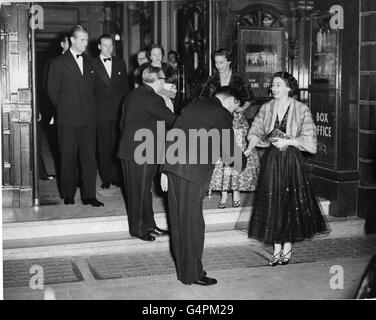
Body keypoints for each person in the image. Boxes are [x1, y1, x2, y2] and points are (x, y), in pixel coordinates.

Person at [161, 87, 247, 286]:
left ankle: (185, 272)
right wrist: (242, 162)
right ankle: (193, 274)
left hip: (173, 169)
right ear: (231, 100)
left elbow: (172, 135)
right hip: (192, 174)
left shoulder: (193, 105)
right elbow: (228, 149)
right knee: (193, 225)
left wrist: (164, 170)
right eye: (236, 107)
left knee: (179, 223)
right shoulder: (222, 113)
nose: (234, 111)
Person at [245, 71, 330, 266]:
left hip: (292, 160)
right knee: (273, 201)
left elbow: (309, 138)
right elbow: (256, 129)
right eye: (273, 85)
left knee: (289, 201)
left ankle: (288, 246)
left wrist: (289, 141)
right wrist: (250, 146)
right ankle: (276, 248)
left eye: (277, 85)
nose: (273, 88)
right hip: (272, 161)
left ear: (289, 88)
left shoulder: (301, 109)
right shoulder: (266, 108)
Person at [117, 65, 177, 241]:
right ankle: (137, 229)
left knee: (143, 191)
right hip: (140, 153)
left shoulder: (131, 95)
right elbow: (172, 120)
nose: (164, 82)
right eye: (164, 79)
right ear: (158, 81)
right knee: (138, 191)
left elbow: (122, 124)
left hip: (133, 150)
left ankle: (149, 225)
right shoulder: (153, 99)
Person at [47, 25, 103, 207]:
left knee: (89, 158)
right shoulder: (58, 62)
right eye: (82, 40)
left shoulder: (91, 62)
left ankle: (89, 195)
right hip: (68, 118)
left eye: (86, 39)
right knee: (67, 157)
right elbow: (51, 92)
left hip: (88, 118)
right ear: (72, 40)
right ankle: (68, 193)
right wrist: (65, 108)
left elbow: (95, 90)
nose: (86, 43)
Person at [199, 48, 259, 208]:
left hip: (237, 121)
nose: (218, 66)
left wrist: (241, 108)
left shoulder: (239, 78)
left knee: (235, 154)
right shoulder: (212, 80)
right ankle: (224, 194)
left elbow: (250, 98)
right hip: (218, 119)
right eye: (216, 62)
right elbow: (203, 99)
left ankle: (236, 191)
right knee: (221, 155)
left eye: (221, 62)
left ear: (229, 61)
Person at [93, 34, 130, 189]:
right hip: (100, 112)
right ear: (99, 47)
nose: (109, 48)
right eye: (105, 45)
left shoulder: (120, 63)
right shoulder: (92, 64)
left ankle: (117, 176)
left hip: (117, 111)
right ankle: (106, 177)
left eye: (111, 45)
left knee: (117, 144)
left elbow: (125, 88)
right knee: (103, 145)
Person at [149, 44, 177, 113]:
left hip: (165, 104)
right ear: (150, 57)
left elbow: (173, 94)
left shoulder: (168, 68)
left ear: (162, 55)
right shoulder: (146, 70)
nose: (157, 57)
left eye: (159, 54)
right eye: (154, 54)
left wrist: (160, 90)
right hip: (150, 105)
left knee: (161, 123)